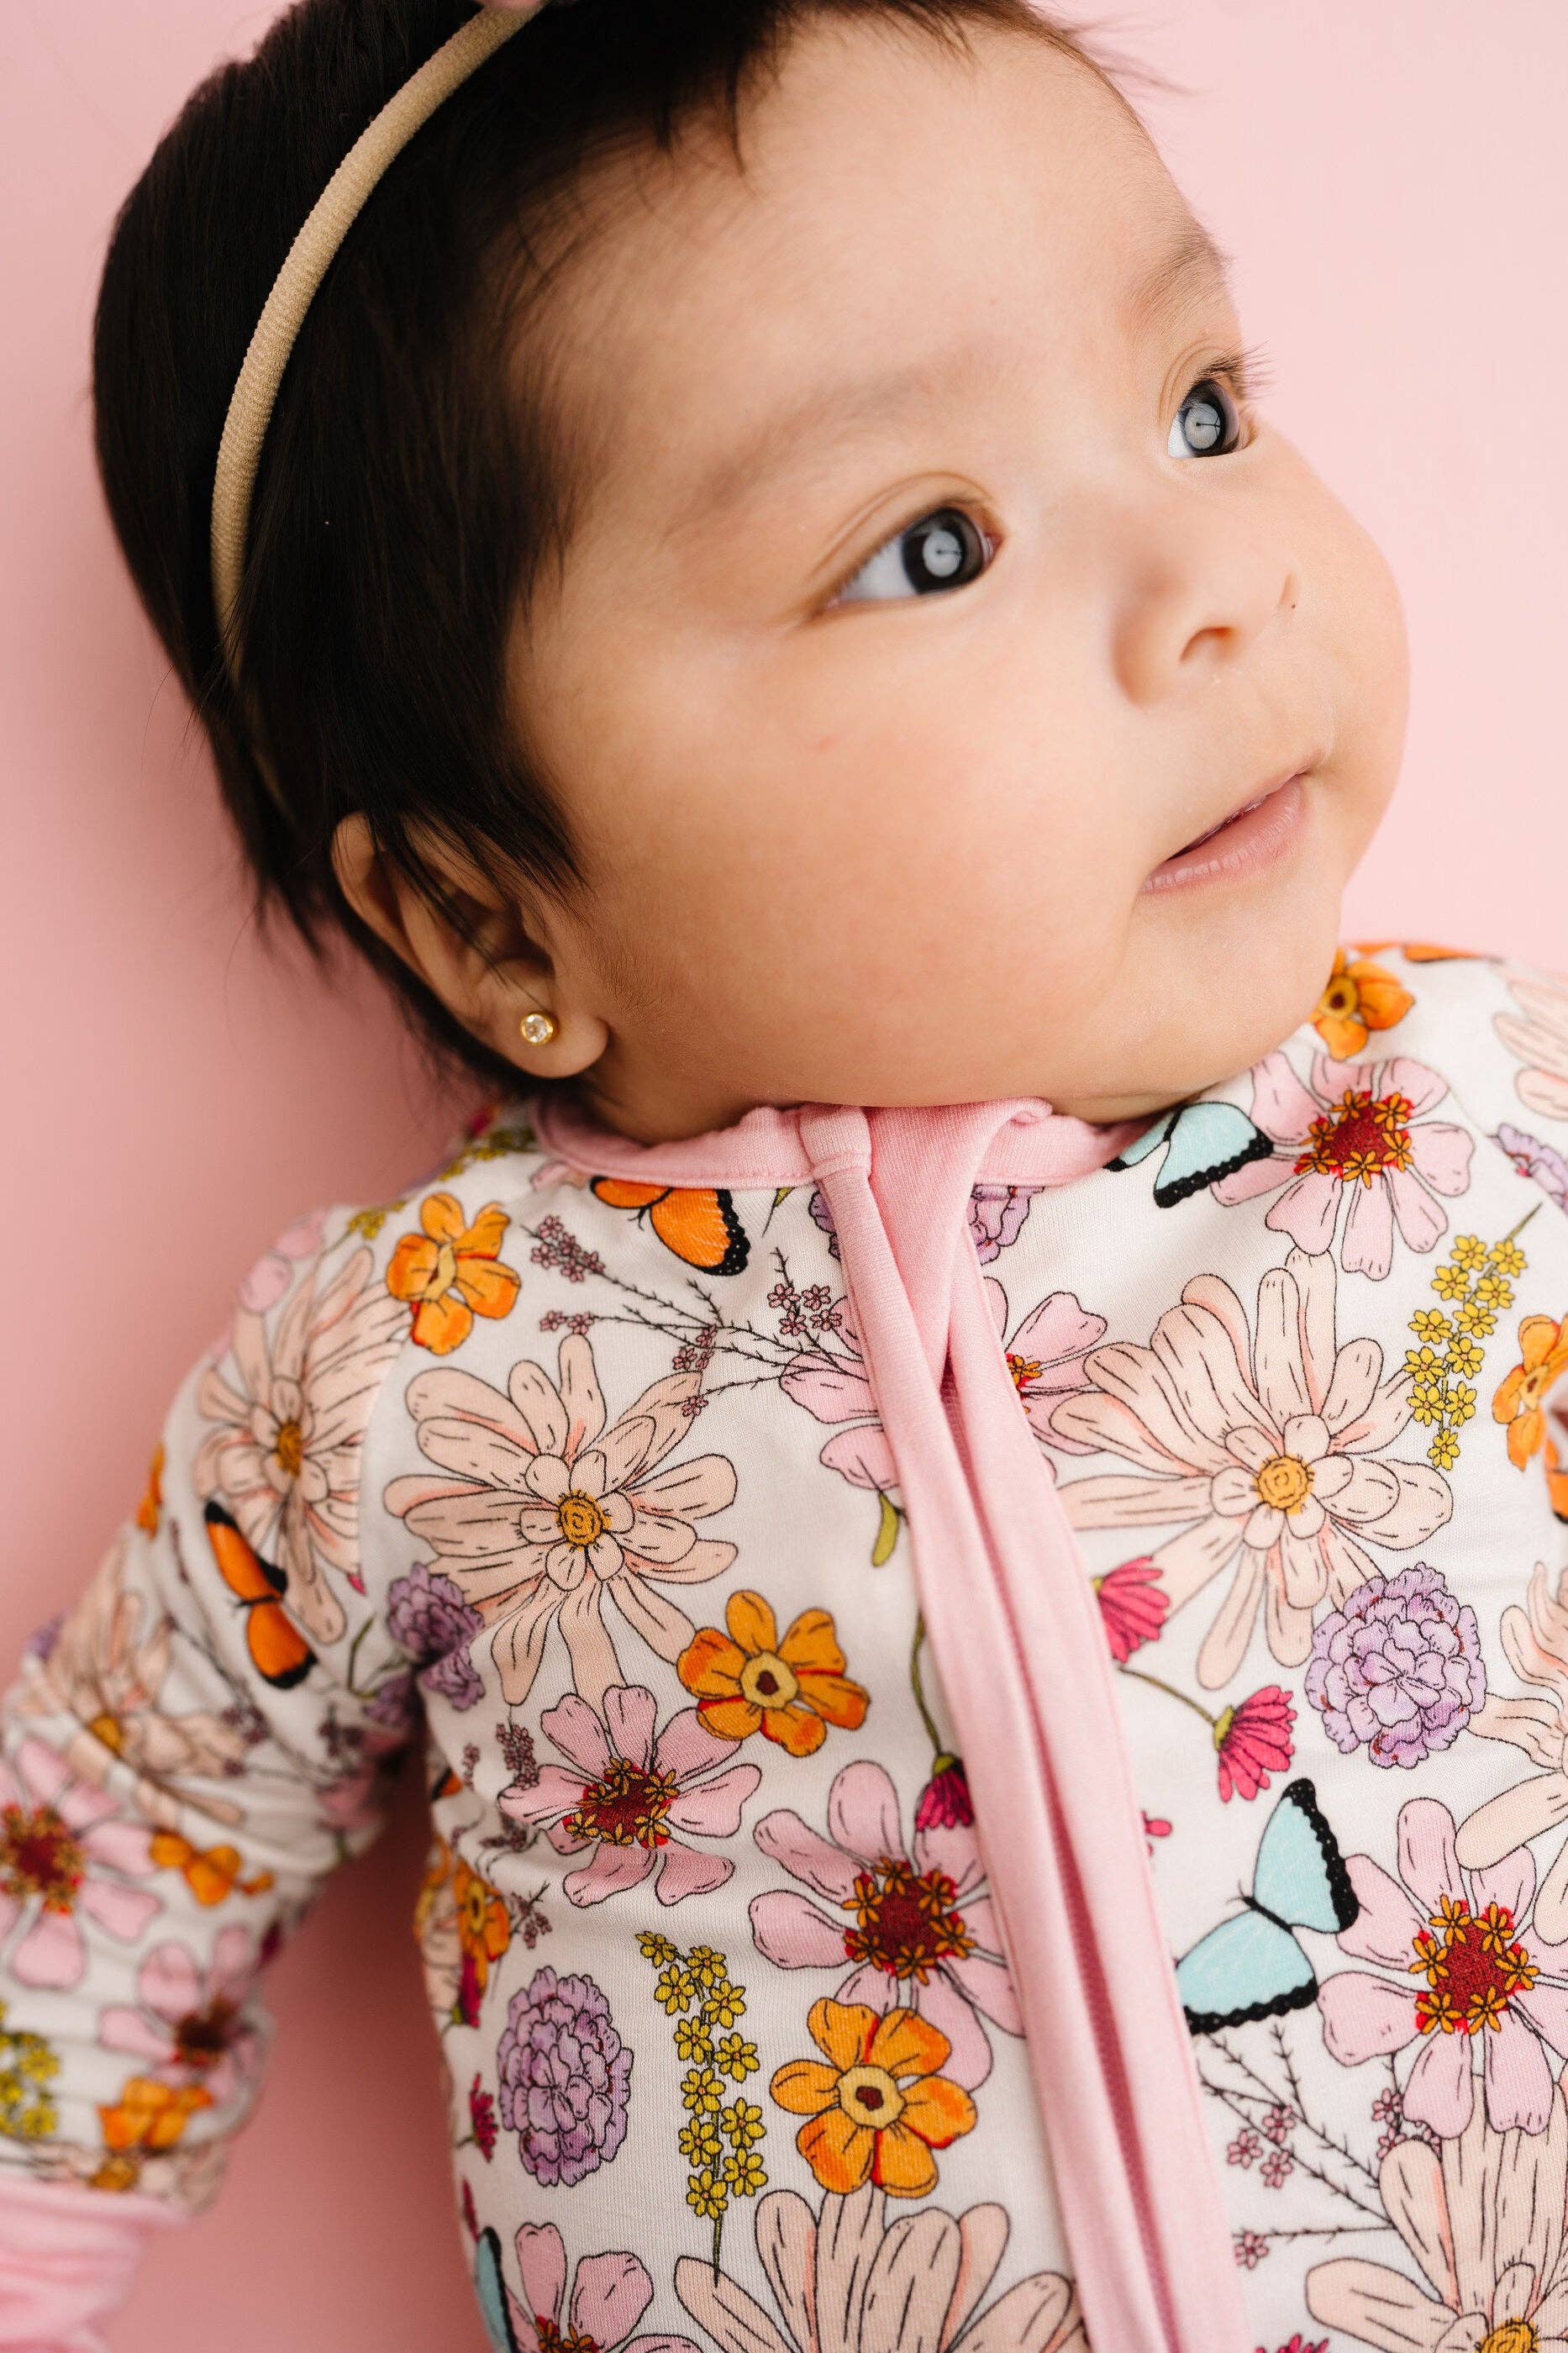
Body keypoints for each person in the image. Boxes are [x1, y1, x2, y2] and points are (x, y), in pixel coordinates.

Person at [4, 0, 1566, 2345]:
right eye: (932, 546)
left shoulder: (1491, 1111)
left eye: (1202, 407)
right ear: (491, 925)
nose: (1218, 579)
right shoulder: (416, 1367)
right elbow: (116, 1843)